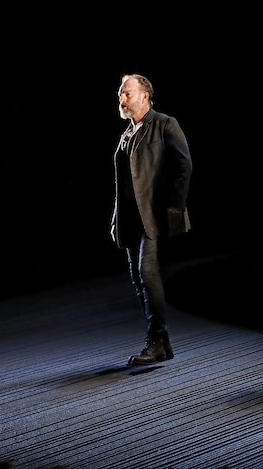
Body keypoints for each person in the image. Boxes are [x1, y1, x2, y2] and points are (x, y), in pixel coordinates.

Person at [110, 73, 193, 366]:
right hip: (131, 218)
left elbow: (184, 166)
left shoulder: (164, 124)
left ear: (145, 96)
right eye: (120, 94)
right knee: (137, 277)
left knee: (147, 273)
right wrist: (115, 219)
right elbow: (124, 183)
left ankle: (157, 341)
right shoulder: (128, 133)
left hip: (153, 216)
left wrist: (174, 208)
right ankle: (163, 342)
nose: (121, 99)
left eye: (127, 93)